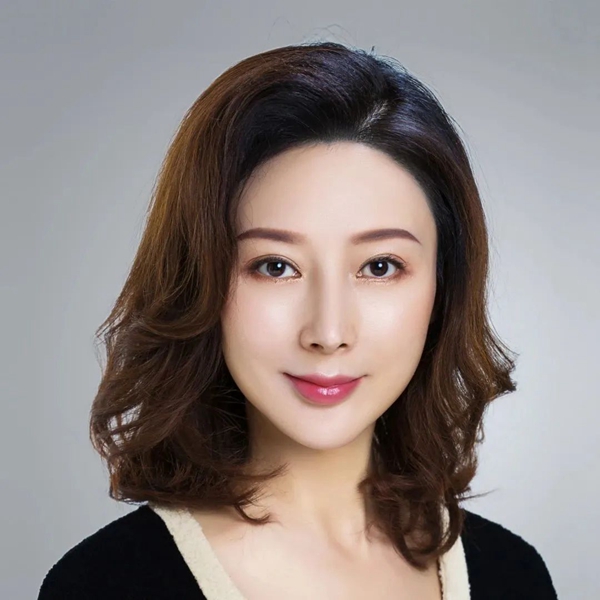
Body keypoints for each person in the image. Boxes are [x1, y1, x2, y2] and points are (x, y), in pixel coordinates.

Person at [37, 41, 558, 599]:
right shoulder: (103, 586)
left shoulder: (513, 576)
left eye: (380, 266)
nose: (328, 333)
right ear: (200, 282)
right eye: (275, 266)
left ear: (444, 285)